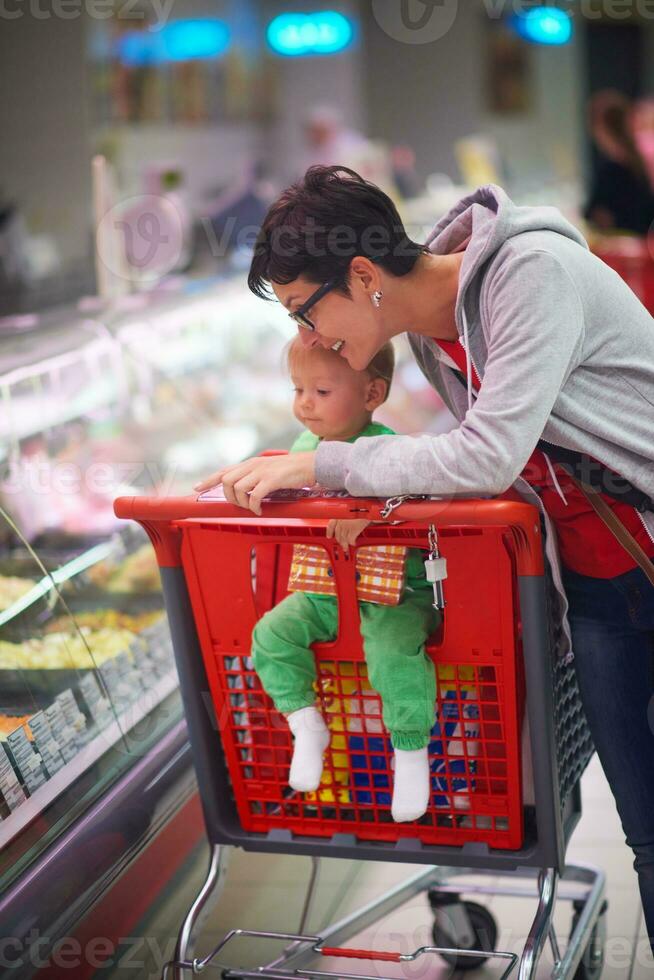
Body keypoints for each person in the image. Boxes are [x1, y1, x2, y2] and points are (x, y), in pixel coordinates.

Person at [195, 165, 654, 948]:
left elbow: (486, 456)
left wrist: (319, 467)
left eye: (307, 309)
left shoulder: (529, 274)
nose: (309, 339)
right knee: (647, 830)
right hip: (602, 588)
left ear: (364, 275)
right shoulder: (438, 334)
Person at [251, 336, 438, 822]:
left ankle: (412, 754)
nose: (304, 404)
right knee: (270, 634)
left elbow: (422, 497)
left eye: (322, 392)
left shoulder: (388, 447)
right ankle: (305, 722)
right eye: (298, 390)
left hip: (393, 593)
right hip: (323, 588)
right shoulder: (302, 447)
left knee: (393, 655)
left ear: (372, 395)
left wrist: (373, 513)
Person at [584, 89, 654, 235]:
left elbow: (595, 215)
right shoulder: (638, 159)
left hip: (621, 247)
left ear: (599, 127)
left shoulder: (612, 169)